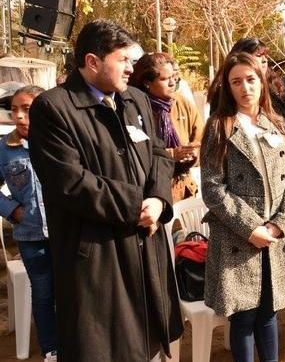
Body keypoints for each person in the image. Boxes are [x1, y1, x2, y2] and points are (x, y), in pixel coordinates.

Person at [28, 19, 183, 361]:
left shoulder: (136, 101)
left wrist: (157, 199)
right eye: (123, 60)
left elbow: (158, 153)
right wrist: (135, 207)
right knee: (105, 348)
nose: (132, 68)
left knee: (147, 345)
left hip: (146, 246)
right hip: (98, 259)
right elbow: (69, 182)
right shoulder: (53, 108)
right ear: (92, 62)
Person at [200, 52, 285, 362]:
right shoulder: (220, 126)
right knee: (244, 318)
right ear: (227, 87)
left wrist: (278, 224)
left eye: (251, 79)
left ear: (262, 81)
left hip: (274, 238)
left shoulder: (278, 123)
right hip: (237, 238)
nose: (245, 88)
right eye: (236, 82)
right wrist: (252, 228)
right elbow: (212, 188)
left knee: (270, 313)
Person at [0, 86, 57, 362]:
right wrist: (13, 211)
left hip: (66, 234)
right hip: (31, 237)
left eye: (27, 109)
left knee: (74, 292)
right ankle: (51, 349)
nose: (19, 117)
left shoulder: (61, 141)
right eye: (14, 110)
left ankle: (77, 343)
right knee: (44, 294)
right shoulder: (5, 149)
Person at [130, 53, 202, 202]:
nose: (172, 83)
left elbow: (201, 140)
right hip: (152, 195)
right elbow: (136, 154)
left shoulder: (183, 103)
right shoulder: (134, 109)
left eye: (174, 77)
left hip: (184, 191)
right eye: (164, 79)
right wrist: (171, 154)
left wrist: (192, 155)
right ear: (146, 82)